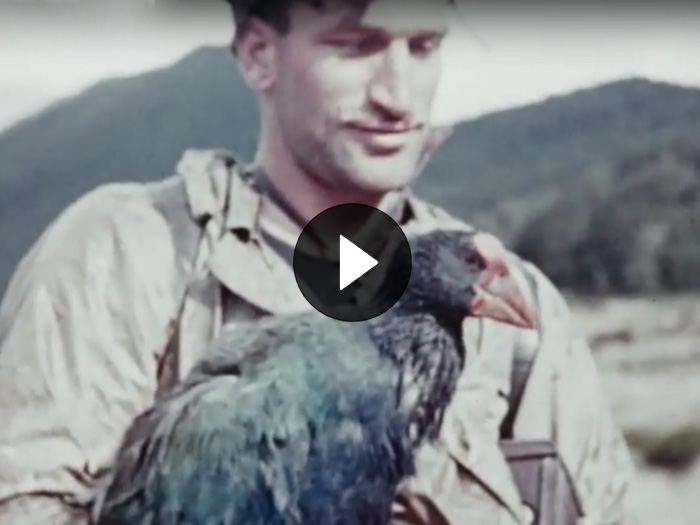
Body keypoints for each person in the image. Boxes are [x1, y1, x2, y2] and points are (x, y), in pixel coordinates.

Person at [0, 0, 635, 523]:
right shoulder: (123, 251)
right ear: (257, 54)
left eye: (423, 46)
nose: (398, 95)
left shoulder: (518, 314)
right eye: (354, 45)